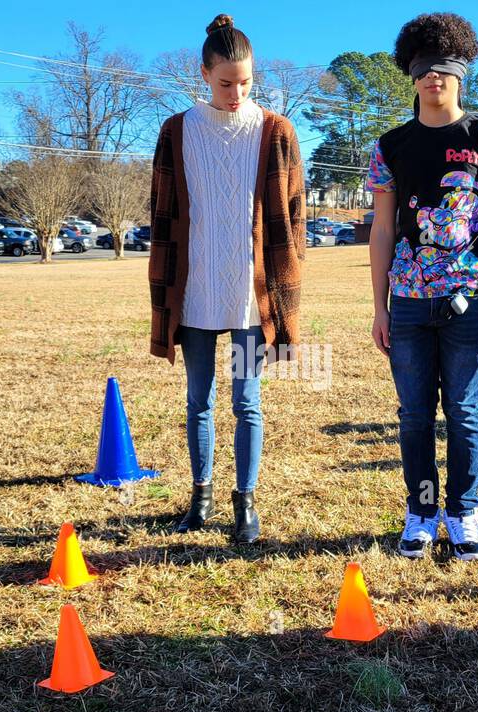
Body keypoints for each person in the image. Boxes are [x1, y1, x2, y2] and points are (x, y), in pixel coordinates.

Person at [364, 12, 478, 560]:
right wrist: (380, 307)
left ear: (461, 74)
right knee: (413, 414)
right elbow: (383, 227)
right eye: (424, 70)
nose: (434, 78)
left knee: (463, 413)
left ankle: (463, 513)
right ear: (411, 76)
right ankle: (421, 510)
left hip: (469, 301)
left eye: (445, 69)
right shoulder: (390, 146)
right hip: (408, 303)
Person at [147, 13, 306, 544]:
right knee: (198, 400)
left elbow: (294, 215)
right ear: (203, 74)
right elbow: (162, 215)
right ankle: (200, 499)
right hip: (194, 294)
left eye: (245, 82)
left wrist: (286, 290)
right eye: (224, 83)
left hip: (247, 297)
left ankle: (245, 504)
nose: (236, 92)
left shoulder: (276, 132)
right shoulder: (175, 132)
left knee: (247, 401)